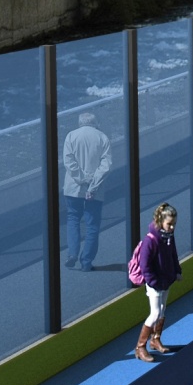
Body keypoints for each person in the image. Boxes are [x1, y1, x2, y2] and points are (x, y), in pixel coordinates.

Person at [62, 111, 113, 272]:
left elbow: (69, 162)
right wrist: (92, 184)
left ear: (80, 123)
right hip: (95, 191)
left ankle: (72, 254)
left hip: (73, 188)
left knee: (73, 219)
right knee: (92, 225)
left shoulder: (71, 136)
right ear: (95, 123)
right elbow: (106, 166)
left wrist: (81, 179)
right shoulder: (102, 138)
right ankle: (86, 262)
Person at [132, 202, 182, 362]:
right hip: (155, 284)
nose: (172, 228)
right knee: (154, 314)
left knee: (162, 310)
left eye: (174, 224)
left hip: (166, 280)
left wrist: (177, 270)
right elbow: (145, 265)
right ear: (161, 221)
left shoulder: (169, 236)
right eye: (169, 224)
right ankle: (140, 347)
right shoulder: (150, 240)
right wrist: (153, 282)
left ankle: (156, 339)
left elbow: (173, 254)